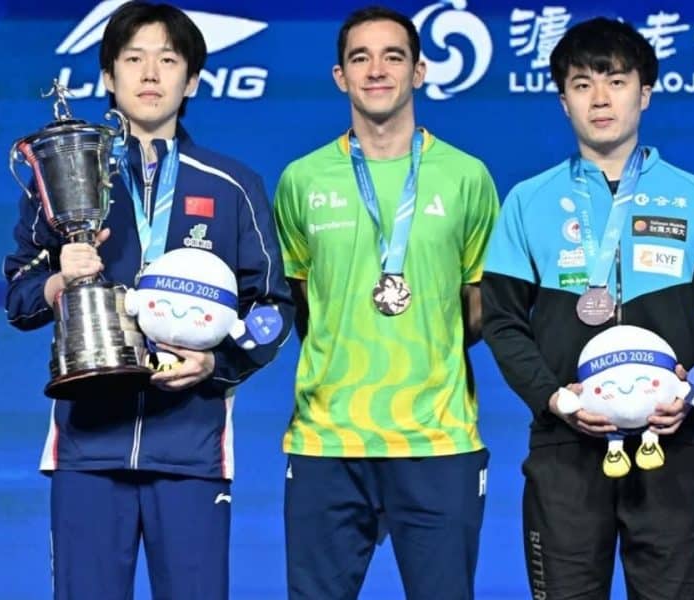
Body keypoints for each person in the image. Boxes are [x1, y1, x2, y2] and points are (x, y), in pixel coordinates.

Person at [3, 3, 293, 599]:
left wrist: (220, 364)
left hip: (190, 449)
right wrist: (57, 279)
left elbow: (272, 308)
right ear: (109, 75)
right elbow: (19, 294)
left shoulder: (232, 184)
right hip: (87, 443)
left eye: (168, 59)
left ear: (191, 80)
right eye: (133, 59)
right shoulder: (66, 175)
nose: (150, 73)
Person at [481, 17, 694, 600]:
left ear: (644, 91)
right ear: (563, 101)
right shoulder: (528, 200)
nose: (600, 98)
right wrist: (554, 399)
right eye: (582, 83)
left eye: (615, 80)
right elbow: (503, 320)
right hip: (565, 450)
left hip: (672, 444)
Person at [272, 6, 499, 599]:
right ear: (340, 76)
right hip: (327, 439)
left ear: (420, 72)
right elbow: (302, 299)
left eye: (393, 56)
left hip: (437, 439)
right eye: (360, 58)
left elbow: (481, 302)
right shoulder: (301, 179)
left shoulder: (467, 177)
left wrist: (428, 337)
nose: (377, 70)